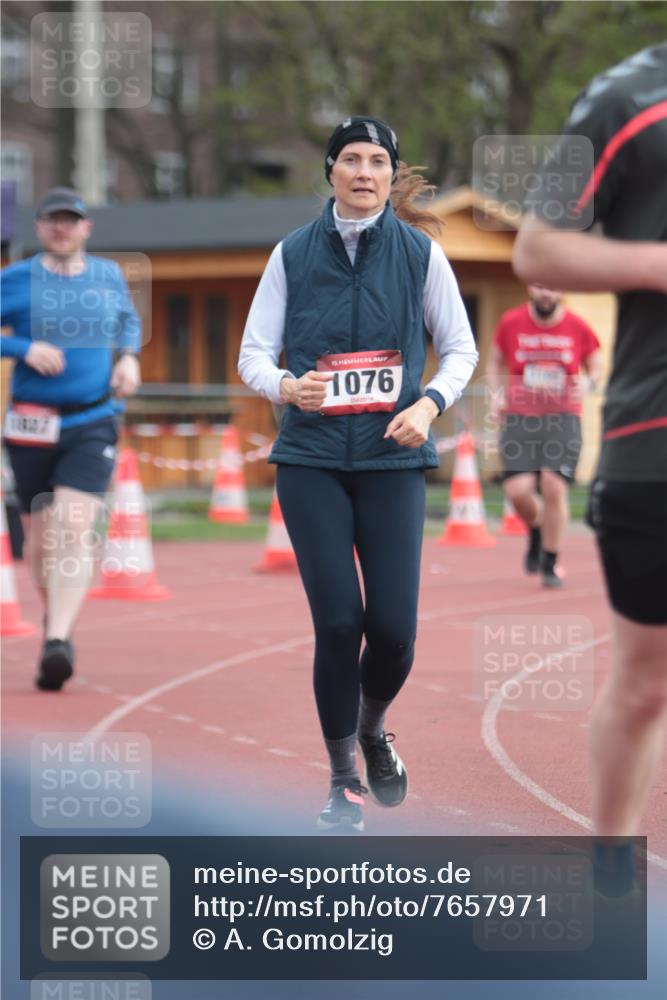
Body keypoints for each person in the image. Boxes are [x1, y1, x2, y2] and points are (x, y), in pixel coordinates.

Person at [239, 117, 478, 831]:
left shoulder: (420, 256)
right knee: (339, 623)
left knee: (395, 631)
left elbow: (459, 351)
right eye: (351, 159)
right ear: (331, 171)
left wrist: (430, 404)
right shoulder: (290, 254)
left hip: (390, 460)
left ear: (390, 173)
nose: (364, 171)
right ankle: (342, 779)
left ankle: (373, 731)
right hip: (310, 459)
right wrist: (286, 386)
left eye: (377, 160)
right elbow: (253, 352)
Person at [512, 44, 667, 883]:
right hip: (654, 437)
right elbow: (536, 249)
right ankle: (611, 860)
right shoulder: (623, 96)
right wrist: (657, 263)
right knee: (645, 683)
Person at [1, 187, 141, 691]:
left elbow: (128, 320)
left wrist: (128, 357)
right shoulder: (16, 279)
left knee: (72, 526)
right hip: (31, 424)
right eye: (52, 220)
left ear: (86, 228)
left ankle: (58, 639)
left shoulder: (107, 275)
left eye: (71, 220)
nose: (61, 227)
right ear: (39, 227)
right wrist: (22, 345)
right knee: (39, 544)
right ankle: (54, 626)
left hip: (93, 418)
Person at [486, 283, 602, 586]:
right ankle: (537, 530)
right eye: (541, 287)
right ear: (530, 287)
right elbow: (495, 359)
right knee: (518, 492)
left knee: (554, 485)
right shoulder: (511, 322)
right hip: (520, 417)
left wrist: (590, 384)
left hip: (563, 417)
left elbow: (596, 363)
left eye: (552, 288)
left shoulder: (577, 325)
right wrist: (496, 394)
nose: (546, 294)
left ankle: (550, 560)